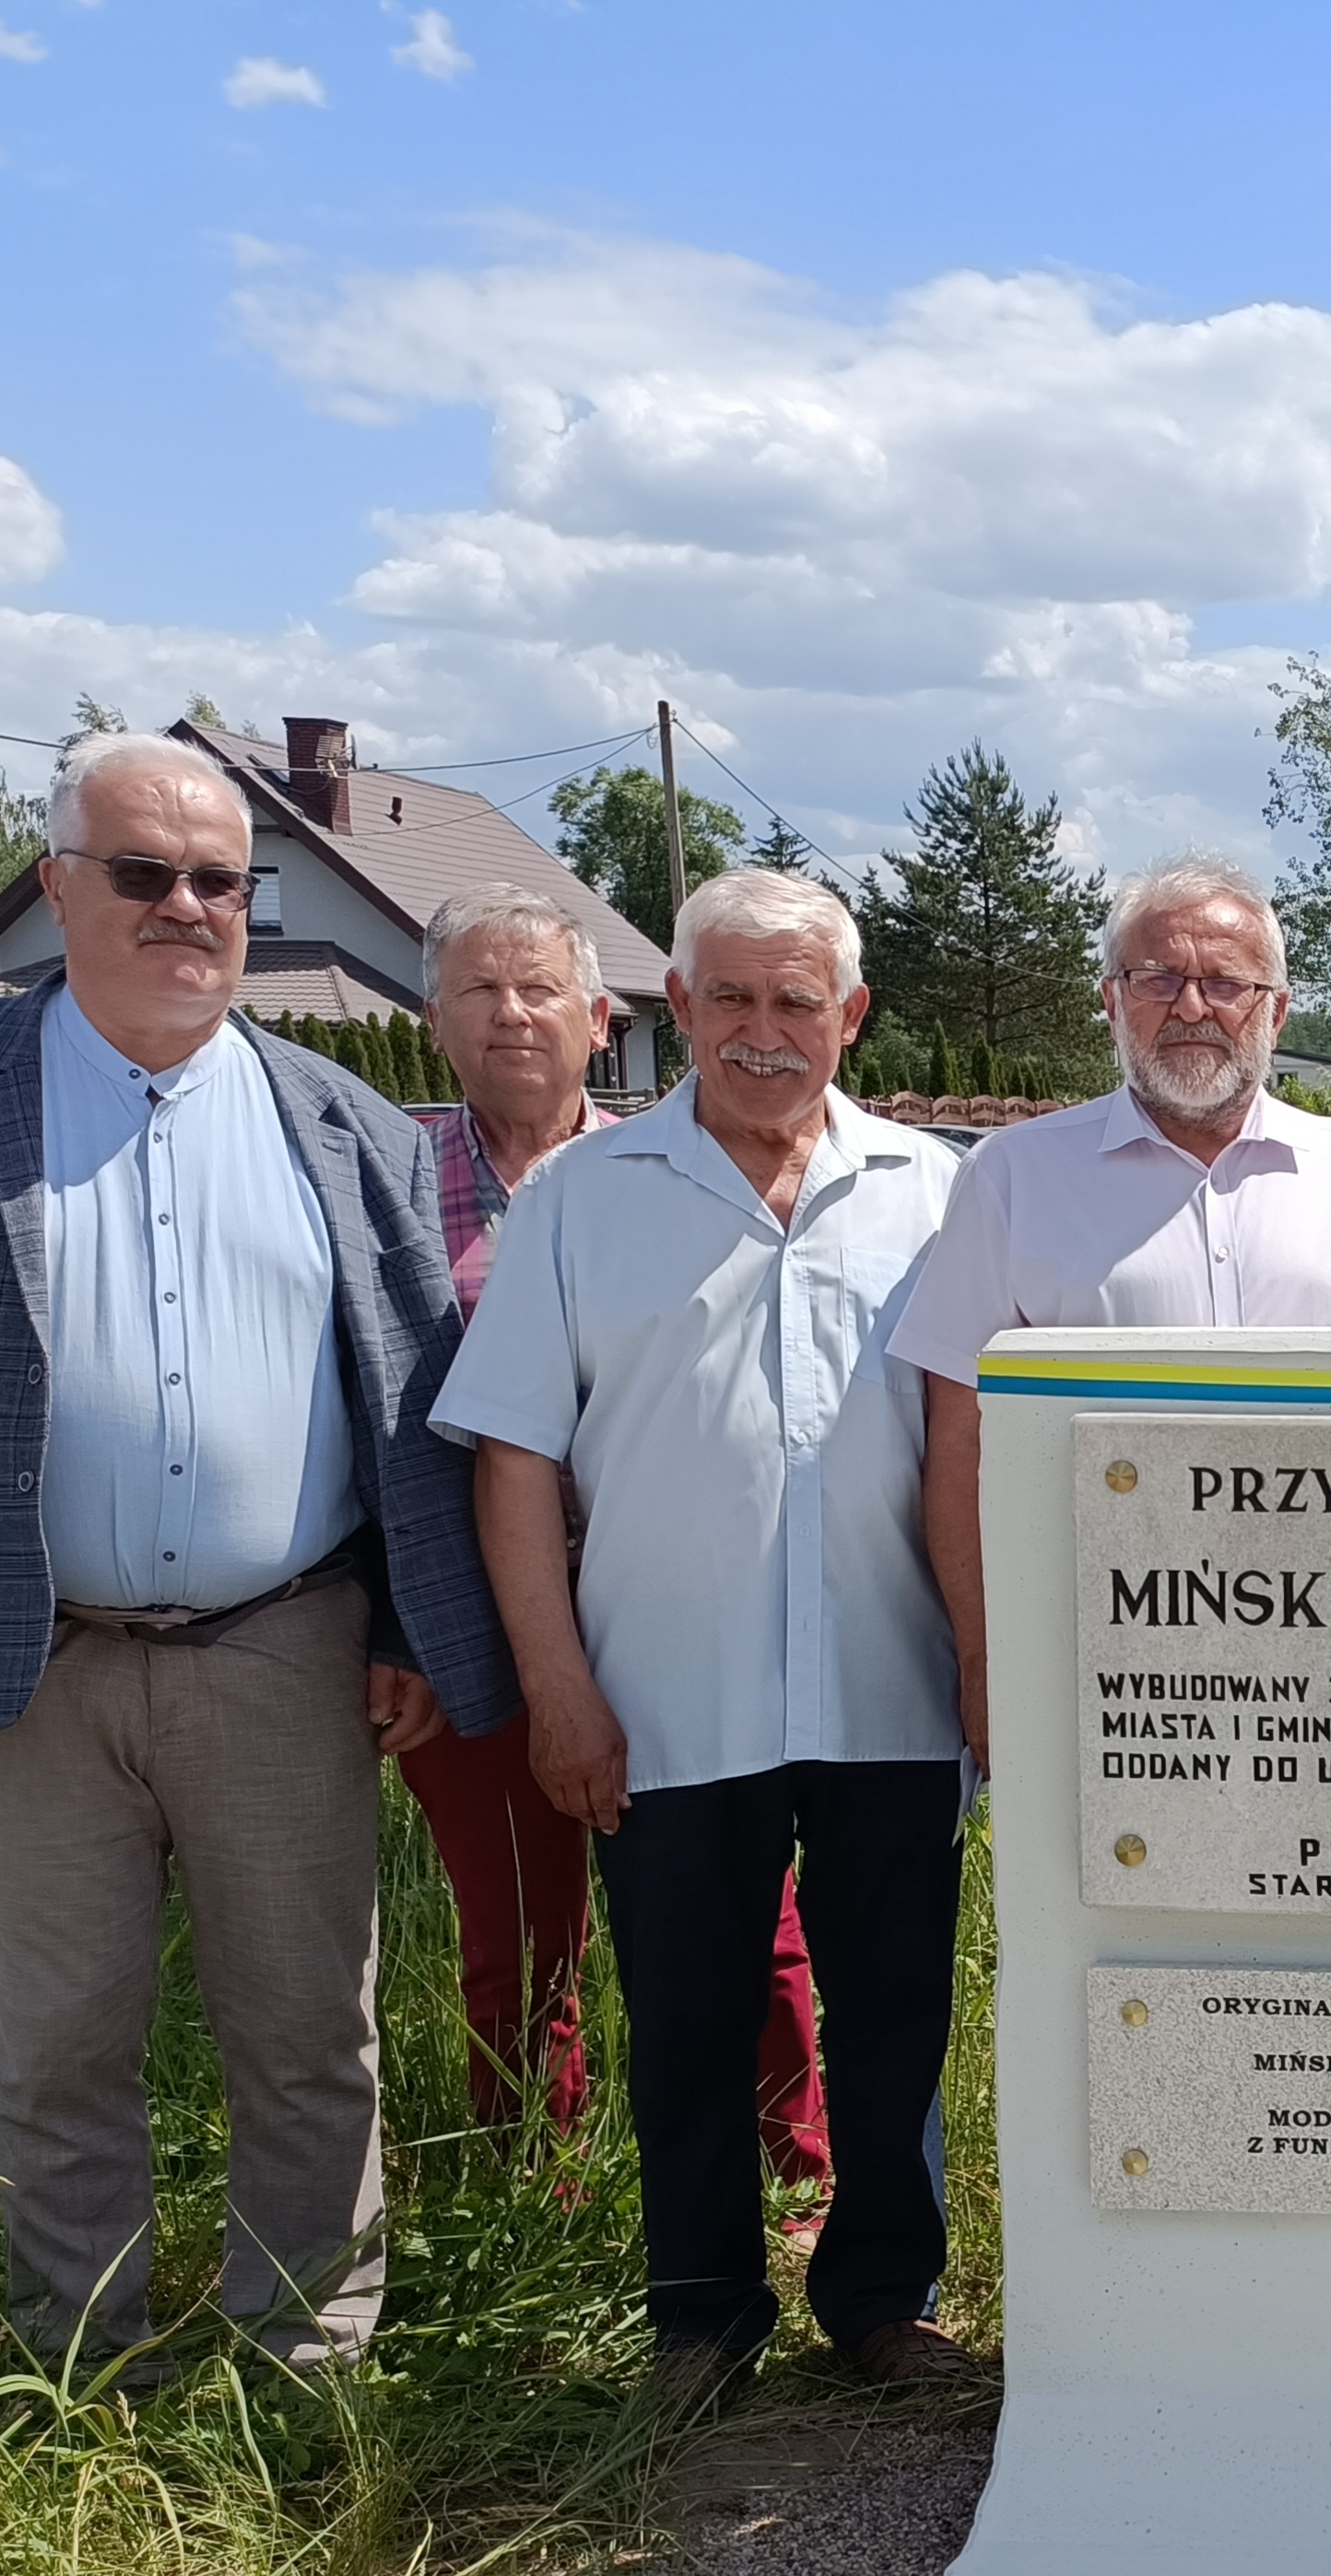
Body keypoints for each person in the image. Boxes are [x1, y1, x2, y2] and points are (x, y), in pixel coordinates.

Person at [0, 729, 511, 2372]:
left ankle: (306, 2348)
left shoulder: (343, 1117)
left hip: (284, 1643)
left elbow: (404, 1398)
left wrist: (409, 1621)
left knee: (309, 2030)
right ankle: (78, 2345)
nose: (187, 905)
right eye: (144, 873)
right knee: (56, 2043)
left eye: (219, 880)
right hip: (23, 1646)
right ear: (58, 890)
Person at [433, 869, 971, 2396]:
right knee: (683, 2019)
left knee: (890, 2018)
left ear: (850, 1016)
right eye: (726, 996)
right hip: (665, 1695)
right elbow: (514, 1458)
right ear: (674, 1007)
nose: (759, 1028)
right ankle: (700, 2316)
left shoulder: (934, 1193)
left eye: (794, 1000)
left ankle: (882, 2297)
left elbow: (981, 1443)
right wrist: (556, 1687)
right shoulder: (581, 1204)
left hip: (892, 1688)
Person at [391, 888, 837, 2206]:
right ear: (434, 1024)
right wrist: (385, 1631)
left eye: (541, 992)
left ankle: (795, 2171)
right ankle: (542, 2184)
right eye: (480, 990)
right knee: (523, 1926)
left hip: (683, 1608)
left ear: (606, 1023)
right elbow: (357, 1429)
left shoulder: (681, 1172)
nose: (512, 1015)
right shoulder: (385, 1185)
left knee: (755, 1921)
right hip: (476, 1621)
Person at [890, 856, 1331, 1773]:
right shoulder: (1013, 1177)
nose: (1192, 1006)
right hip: (1089, 1651)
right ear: (1111, 1001)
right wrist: (983, 1657)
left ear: (1277, 1010)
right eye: (1157, 978)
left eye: (1225, 983)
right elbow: (959, 1442)